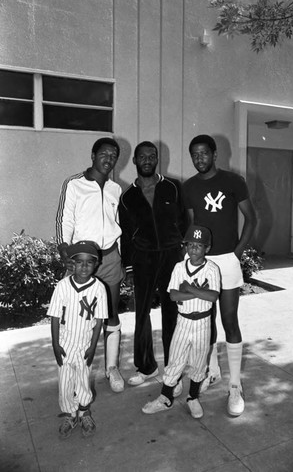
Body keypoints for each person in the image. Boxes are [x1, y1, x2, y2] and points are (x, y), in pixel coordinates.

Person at [183, 134, 256, 417]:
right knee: (203, 322)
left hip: (227, 260)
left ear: (214, 154)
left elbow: (252, 218)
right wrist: (191, 260)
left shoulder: (234, 181)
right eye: (194, 155)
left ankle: (235, 386)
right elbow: (192, 227)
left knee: (229, 320)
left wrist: (236, 253)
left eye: (203, 153)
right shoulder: (189, 187)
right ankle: (210, 372)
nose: (199, 158)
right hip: (202, 262)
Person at [56, 137, 125, 394]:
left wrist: (122, 260)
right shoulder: (74, 184)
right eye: (104, 154)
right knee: (77, 319)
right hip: (83, 261)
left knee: (111, 314)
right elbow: (65, 219)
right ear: (93, 155)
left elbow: (118, 226)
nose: (109, 159)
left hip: (110, 258)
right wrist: (64, 249)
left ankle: (112, 368)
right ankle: (74, 368)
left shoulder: (115, 189)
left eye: (114, 155)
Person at [119, 141, 188, 386]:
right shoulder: (127, 197)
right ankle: (147, 367)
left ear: (157, 159)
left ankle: (173, 370)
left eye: (151, 156)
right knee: (142, 314)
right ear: (135, 161)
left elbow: (183, 222)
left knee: (172, 313)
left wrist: (180, 251)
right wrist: (128, 266)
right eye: (142, 156)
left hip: (171, 256)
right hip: (143, 258)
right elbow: (126, 235)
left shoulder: (173, 187)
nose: (147, 160)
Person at [142, 225, 220, 419]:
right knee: (175, 360)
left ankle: (193, 398)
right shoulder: (179, 267)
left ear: (207, 248)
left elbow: (212, 296)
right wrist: (194, 291)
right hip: (183, 321)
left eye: (199, 245)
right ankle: (165, 398)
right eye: (190, 244)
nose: (194, 249)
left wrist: (188, 288)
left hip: (203, 322)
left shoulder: (212, 269)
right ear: (185, 246)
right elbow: (174, 294)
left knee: (199, 362)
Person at [47, 240, 108, 438]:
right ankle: (69, 415)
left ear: (96, 264)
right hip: (65, 342)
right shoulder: (63, 286)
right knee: (65, 382)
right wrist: (56, 345)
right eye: (79, 262)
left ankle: (84, 412)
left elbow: (99, 320)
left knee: (83, 379)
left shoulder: (98, 288)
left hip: (85, 342)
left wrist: (93, 346)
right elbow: (55, 317)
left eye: (89, 262)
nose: (84, 267)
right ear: (72, 263)